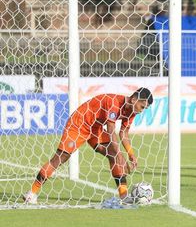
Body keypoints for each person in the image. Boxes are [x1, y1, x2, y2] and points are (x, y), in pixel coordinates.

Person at [23, 87, 154, 204]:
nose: (142, 110)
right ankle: (31, 193)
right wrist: (120, 154)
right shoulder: (113, 102)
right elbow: (110, 128)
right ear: (134, 99)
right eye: (142, 107)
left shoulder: (131, 112)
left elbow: (124, 133)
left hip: (95, 128)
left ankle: (124, 196)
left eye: (145, 108)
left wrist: (131, 154)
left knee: (113, 155)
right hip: (78, 124)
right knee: (61, 158)